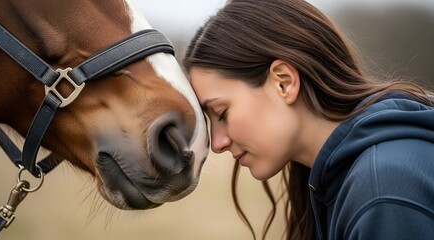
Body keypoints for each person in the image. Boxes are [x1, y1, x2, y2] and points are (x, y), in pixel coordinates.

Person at [183, 0, 434, 239]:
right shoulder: (338, 180)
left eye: (222, 113)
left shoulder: (383, 192)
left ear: (284, 82)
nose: (217, 143)